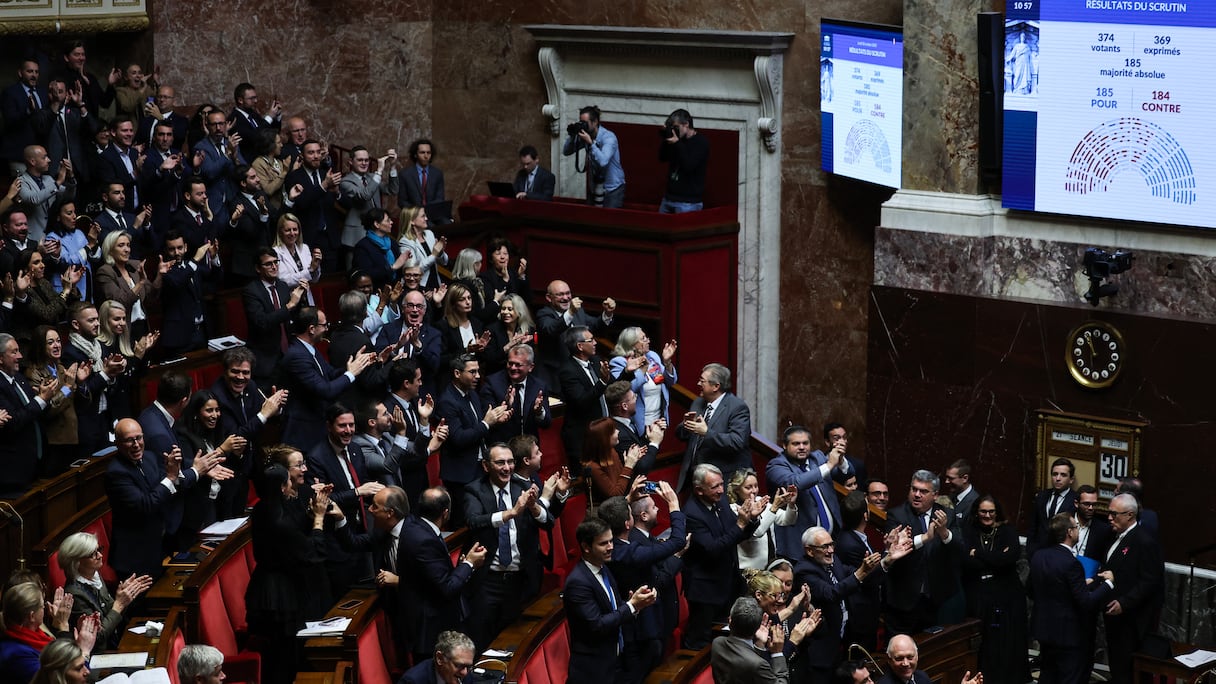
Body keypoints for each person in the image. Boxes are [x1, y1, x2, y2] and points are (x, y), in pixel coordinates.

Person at [105, 417, 231, 579]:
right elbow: (147, 504)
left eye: (139, 438)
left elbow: (170, 481)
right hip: (134, 557)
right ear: (118, 443)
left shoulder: (149, 457)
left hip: (158, 546)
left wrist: (197, 470)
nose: (136, 444)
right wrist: (174, 476)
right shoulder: (116, 473)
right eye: (129, 441)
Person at [245, 457, 334, 684]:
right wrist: (319, 519)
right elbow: (313, 553)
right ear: (282, 487)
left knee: (275, 656)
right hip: (282, 596)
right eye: (287, 483)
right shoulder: (280, 523)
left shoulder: (261, 510)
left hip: (264, 588)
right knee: (286, 657)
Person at [463, 443, 555, 650]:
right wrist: (511, 513)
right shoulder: (474, 490)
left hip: (518, 580)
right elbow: (474, 521)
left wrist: (533, 506)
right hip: (488, 580)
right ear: (486, 466)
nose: (507, 468)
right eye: (500, 463)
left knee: (512, 641)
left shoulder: (522, 487)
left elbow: (548, 522)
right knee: (483, 638)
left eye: (510, 462)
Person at [794, 526, 909, 683]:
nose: (831, 550)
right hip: (821, 653)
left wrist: (888, 559)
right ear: (809, 551)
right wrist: (861, 571)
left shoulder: (834, 563)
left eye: (831, 544)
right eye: (824, 547)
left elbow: (862, 577)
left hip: (841, 644)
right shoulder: (803, 571)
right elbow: (832, 594)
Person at [598, 487, 685, 682]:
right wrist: (674, 506)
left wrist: (627, 499)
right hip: (639, 632)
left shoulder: (615, 544)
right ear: (628, 523)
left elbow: (607, 517)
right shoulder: (629, 553)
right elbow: (679, 541)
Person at [391, 487, 486, 661]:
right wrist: (470, 564)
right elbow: (447, 587)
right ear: (446, 513)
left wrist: (463, 565)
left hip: (426, 621)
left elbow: (434, 574)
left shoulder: (414, 526)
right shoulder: (424, 540)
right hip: (430, 630)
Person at [563, 515, 657, 684]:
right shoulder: (578, 582)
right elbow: (597, 625)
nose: (610, 547)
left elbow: (613, 608)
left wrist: (636, 604)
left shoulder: (603, 567)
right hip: (593, 672)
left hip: (614, 661)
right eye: (603, 543)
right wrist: (630, 606)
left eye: (611, 541)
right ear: (586, 547)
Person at [305, 404, 385, 597]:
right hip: (336, 539)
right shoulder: (317, 457)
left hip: (361, 529)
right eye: (342, 426)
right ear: (329, 426)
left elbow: (363, 481)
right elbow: (322, 500)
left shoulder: (355, 448)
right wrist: (357, 492)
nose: (348, 431)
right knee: (346, 593)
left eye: (351, 425)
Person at [682, 463, 764, 650]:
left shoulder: (721, 503)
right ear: (699, 490)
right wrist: (741, 524)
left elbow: (735, 536)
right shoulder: (691, 514)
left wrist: (750, 520)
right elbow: (713, 548)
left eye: (721, 484)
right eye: (714, 487)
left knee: (730, 635)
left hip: (728, 582)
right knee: (700, 641)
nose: (720, 490)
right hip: (705, 589)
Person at [1029, 512, 1114, 684]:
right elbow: (1086, 601)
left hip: (1044, 629)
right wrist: (1108, 584)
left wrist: (1080, 584)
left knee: (1047, 676)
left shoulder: (1039, 556)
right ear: (1069, 532)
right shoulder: (1071, 563)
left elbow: (1031, 589)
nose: (1078, 530)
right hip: (1068, 635)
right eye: (1076, 527)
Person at [278, 306, 375, 448]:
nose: (327, 328)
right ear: (312, 329)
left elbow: (330, 374)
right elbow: (326, 390)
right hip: (303, 432)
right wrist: (351, 373)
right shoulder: (297, 356)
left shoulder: (309, 348)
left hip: (316, 425)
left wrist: (356, 366)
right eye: (324, 325)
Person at [959, 495, 1028, 684]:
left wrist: (979, 553)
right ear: (976, 512)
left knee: (1006, 642)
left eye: (991, 512)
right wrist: (996, 557)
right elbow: (967, 562)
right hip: (979, 595)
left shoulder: (1007, 531)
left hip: (1007, 595)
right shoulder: (968, 530)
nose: (987, 515)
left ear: (997, 512)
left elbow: (1009, 559)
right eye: (983, 511)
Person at [883, 469, 961, 635]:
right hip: (903, 601)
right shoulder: (896, 515)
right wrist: (925, 538)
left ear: (935, 495)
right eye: (914, 489)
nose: (917, 494)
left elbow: (959, 549)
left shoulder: (947, 515)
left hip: (934, 601)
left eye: (923, 491)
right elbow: (895, 550)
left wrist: (944, 533)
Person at [1102, 493, 1165, 684]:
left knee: (1128, 671)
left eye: (1114, 514)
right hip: (1113, 615)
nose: (1109, 518)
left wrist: (1124, 602)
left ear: (1130, 515)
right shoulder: (1113, 537)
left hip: (1132, 620)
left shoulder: (1145, 541)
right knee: (1117, 666)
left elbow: (1149, 581)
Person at [558, 326, 640, 466]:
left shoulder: (595, 361)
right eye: (591, 340)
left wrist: (626, 372)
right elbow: (582, 401)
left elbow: (611, 388)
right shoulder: (568, 371)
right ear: (580, 346)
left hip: (603, 431)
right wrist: (602, 381)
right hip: (583, 437)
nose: (595, 343)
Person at [174, 390, 249, 544]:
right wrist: (222, 449)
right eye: (209, 410)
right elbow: (191, 469)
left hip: (221, 503)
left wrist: (237, 454)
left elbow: (228, 469)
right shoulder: (184, 437)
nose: (215, 415)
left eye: (217, 410)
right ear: (196, 412)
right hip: (198, 507)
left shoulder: (216, 432)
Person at [57, 531, 153, 650]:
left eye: (99, 549)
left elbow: (110, 614)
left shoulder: (94, 575)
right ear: (76, 562)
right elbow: (97, 637)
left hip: (116, 639)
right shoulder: (75, 595)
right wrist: (119, 604)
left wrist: (125, 596)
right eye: (93, 554)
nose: (100, 556)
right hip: (98, 654)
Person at [766, 425, 845, 559]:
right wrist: (829, 465)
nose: (802, 447)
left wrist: (840, 459)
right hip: (799, 548)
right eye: (796, 444)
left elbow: (845, 474)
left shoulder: (817, 457)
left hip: (831, 543)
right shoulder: (775, 466)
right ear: (785, 445)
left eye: (805, 443)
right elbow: (796, 483)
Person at [0, 582, 97, 683]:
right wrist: (83, 652)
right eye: (42, 606)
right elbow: (58, 679)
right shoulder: (17, 655)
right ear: (32, 616)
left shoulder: (37, 635)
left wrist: (59, 625)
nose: (45, 609)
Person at [676, 363, 752, 492]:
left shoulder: (737, 407)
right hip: (695, 477)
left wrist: (706, 433)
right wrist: (686, 425)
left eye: (702, 381)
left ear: (716, 386)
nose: (698, 384)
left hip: (721, 479)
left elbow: (737, 441)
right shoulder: (698, 402)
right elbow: (681, 434)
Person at [0, 332, 56, 494]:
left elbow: (36, 409)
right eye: (14, 352)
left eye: (19, 350)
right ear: (0, 358)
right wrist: (41, 399)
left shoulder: (19, 378)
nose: (20, 356)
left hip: (33, 462)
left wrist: (44, 396)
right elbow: (14, 422)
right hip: (12, 470)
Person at [24, 326, 83, 475]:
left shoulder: (60, 368)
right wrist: (68, 386)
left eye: (58, 341)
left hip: (71, 437)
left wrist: (80, 383)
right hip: (53, 442)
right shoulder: (33, 374)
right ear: (39, 346)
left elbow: (76, 402)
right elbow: (47, 410)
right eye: (50, 342)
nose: (57, 345)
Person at [282, 139, 342, 271]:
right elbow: (303, 203)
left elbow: (346, 203)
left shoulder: (325, 173)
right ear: (302, 156)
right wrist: (324, 185)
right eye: (311, 153)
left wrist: (337, 192)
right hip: (308, 239)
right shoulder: (294, 177)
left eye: (318, 152)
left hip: (330, 238)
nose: (316, 156)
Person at [95, 230, 166, 340]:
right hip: (123, 329)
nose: (127, 249)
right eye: (121, 245)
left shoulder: (135, 265)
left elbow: (152, 295)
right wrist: (140, 282)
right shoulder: (105, 272)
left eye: (128, 245)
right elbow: (120, 302)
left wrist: (159, 274)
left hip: (142, 326)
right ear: (110, 250)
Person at [608, 327, 677, 435]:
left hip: (658, 422)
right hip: (637, 424)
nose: (648, 341)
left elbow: (670, 382)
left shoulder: (652, 356)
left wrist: (667, 362)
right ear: (632, 344)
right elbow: (623, 392)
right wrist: (642, 372)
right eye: (643, 339)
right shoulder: (619, 362)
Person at [709, 597, 792, 684]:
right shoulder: (758, 665)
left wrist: (759, 645)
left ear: (730, 621)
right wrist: (777, 653)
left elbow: (744, 658)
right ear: (757, 628)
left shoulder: (717, 643)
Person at [479, 343, 550, 446]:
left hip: (528, 448)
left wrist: (539, 412)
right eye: (510, 363)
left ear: (530, 367)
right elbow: (486, 420)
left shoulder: (539, 386)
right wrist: (506, 406)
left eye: (518, 365)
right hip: (502, 447)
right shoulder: (492, 383)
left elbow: (546, 424)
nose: (512, 368)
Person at [728, 468, 797, 570]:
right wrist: (773, 508)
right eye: (748, 487)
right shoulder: (733, 509)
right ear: (737, 489)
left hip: (771, 564)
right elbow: (757, 533)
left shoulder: (760, 500)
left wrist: (791, 504)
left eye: (756, 486)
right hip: (750, 570)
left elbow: (787, 520)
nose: (754, 491)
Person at [340, 146, 398, 258]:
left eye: (366, 160)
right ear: (351, 162)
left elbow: (392, 190)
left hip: (377, 230)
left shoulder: (372, 177)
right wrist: (379, 171)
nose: (364, 163)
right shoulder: (346, 181)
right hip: (357, 233)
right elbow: (364, 196)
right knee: (357, 270)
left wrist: (393, 166)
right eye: (360, 160)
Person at [562, 105, 625, 207]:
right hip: (595, 186)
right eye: (581, 122)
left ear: (595, 122)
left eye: (585, 123)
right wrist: (572, 136)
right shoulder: (586, 135)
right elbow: (566, 151)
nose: (583, 126)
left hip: (612, 188)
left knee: (608, 221)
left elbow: (603, 161)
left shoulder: (609, 138)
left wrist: (591, 144)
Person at [18, 145, 76, 242]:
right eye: (44, 157)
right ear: (33, 162)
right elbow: (34, 199)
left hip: (54, 234)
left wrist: (70, 177)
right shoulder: (21, 182)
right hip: (33, 237)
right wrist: (58, 182)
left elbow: (68, 196)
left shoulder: (48, 179)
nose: (49, 160)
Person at [658, 108, 709, 213]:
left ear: (686, 124)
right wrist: (666, 138)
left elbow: (689, 165)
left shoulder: (701, 143)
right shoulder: (676, 139)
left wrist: (677, 144)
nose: (674, 130)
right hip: (668, 198)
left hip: (688, 202)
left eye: (676, 127)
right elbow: (662, 158)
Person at [2, 60, 47, 176]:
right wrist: (28, 111)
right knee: (25, 191)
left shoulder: (43, 92)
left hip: (41, 154)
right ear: (20, 73)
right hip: (19, 153)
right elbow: (10, 121)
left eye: (36, 72)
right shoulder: (10, 93)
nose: (34, 75)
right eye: (30, 71)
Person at [583, 417, 645, 500]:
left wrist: (632, 461)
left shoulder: (611, 452)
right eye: (613, 431)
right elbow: (615, 496)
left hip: (624, 502)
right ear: (605, 438)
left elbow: (623, 483)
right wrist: (628, 466)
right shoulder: (592, 467)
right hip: (607, 510)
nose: (618, 431)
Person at [1027, 457, 1077, 559]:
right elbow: (1033, 525)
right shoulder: (1041, 496)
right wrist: (1030, 550)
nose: (1058, 478)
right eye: (1055, 474)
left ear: (1071, 479)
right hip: (1037, 553)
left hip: (1059, 556)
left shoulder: (1075, 500)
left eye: (1063, 475)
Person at [271, 213, 321, 305]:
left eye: (295, 229)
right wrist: (310, 270)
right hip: (289, 301)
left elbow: (314, 279)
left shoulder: (304, 248)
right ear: (280, 232)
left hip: (307, 299)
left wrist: (316, 265)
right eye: (288, 230)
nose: (292, 233)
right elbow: (285, 280)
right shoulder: (275, 252)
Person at [353, 208, 409, 287]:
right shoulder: (363, 247)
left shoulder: (392, 242)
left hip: (396, 289)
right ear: (377, 224)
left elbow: (399, 268)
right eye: (387, 220)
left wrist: (405, 260)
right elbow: (367, 275)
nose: (391, 222)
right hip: (377, 291)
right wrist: (392, 267)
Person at [396, 205, 447, 289]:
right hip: (419, 286)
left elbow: (444, 262)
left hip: (436, 284)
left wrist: (440, 253)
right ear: (412, 221)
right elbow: (413, 270)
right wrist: (434, 255)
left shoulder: (429, 234)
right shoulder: (405, 242)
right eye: (423, 216)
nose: (426, 219)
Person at [398, 630, 476, 684]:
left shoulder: (464, 675)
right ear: (440, 658)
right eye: (458, 665)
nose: (465, 672)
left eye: (468, 666)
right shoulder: (413, 681)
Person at [812, 422, 866, 490]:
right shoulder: (818, 463)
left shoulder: (857, 465)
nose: (842, 441)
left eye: (844, 437)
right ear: (827, 442)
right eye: (837, 438)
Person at [398, 138, 445, 210]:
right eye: (422, 152)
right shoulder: (405, 174)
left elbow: (440, 198)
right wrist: (418, 212)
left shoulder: (437, 173)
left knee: (447, 221)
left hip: (433, 213)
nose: (426, 156)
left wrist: (428, 210)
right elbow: (402, 202)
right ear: (415, 155)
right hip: (414, 214)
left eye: (428, 153)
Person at [478, 235, 528, 301]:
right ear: (491, 259)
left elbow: (527, 299)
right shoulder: (485, 277)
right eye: (498, 254)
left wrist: (521, 276)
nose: (502, 257)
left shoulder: (514, 274)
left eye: (505, 253)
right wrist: (505, 280)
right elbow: (493, 301)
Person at [1074, 484, 1113, 560]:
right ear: (1076, 504)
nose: (1091, 508)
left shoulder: (1103, 530)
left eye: (1094, 504)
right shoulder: (1064, 522)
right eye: (1086, 504)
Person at [945, 459, 978, 525]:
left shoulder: (975, 503)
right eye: (946, 478)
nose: (946, 481)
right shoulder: (950, 497)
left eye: (951, 478)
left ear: (965, 478)